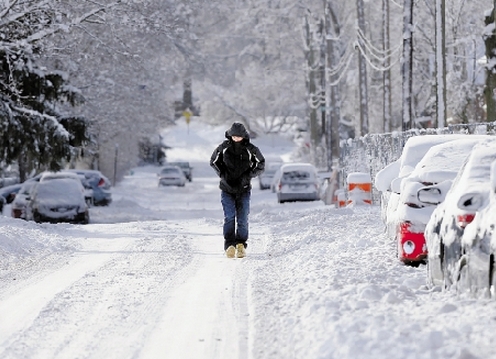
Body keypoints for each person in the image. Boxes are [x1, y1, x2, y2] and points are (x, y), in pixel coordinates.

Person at [210, 122, 265, 258]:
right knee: (229, 217)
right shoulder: (223, 147)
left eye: (239, 136)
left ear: (243, 136)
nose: (236, 138)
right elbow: (213, 161)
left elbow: (261, 164)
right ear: (230, 135)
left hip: (243, 189)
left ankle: (241, 244)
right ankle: (229, 244)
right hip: (227, 188)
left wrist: (249, 176)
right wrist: (222, 175)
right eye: (234, 136)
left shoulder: (251, 149)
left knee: (242, 218)